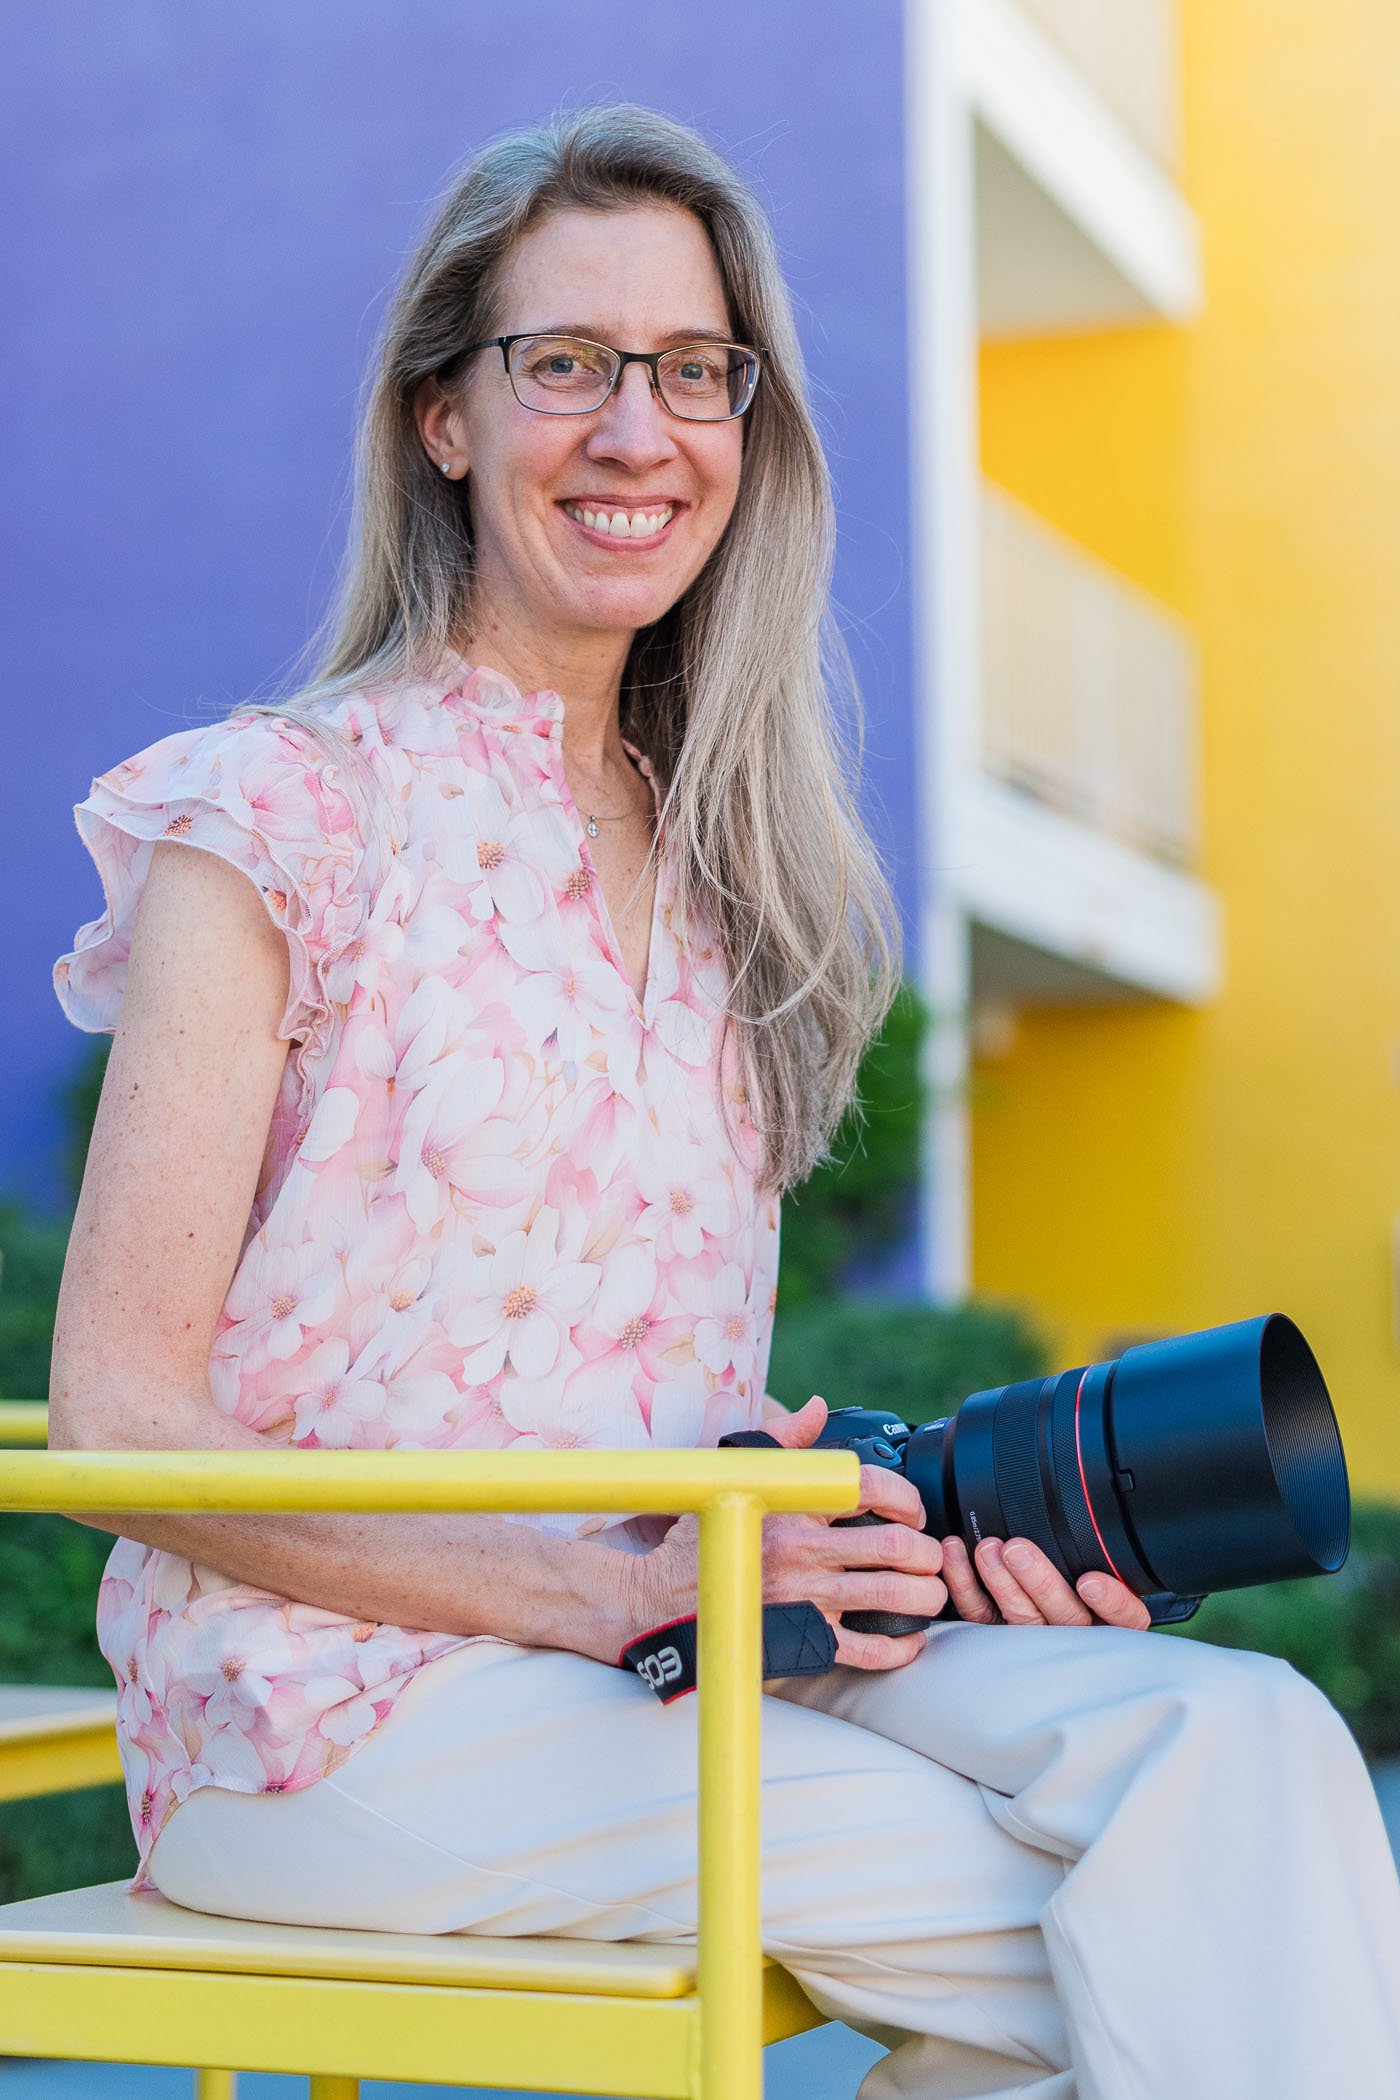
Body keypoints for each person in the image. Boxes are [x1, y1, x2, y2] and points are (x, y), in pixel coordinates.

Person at [49, 101, 1400, 2100]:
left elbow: (655, 1412)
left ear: (745, 430)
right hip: (336, 1720)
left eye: (694, 372)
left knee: (1242, 1752)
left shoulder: (732, 882)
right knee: (1137, 1925)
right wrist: (606, 1590)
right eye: (565, 364)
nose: (634, 429)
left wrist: (903, 1549)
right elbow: (120, 1421)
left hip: (685, 1653)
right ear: (445, 416)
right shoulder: (268, 817)